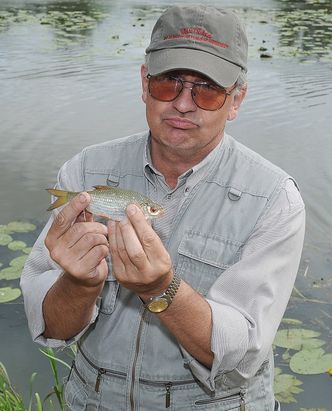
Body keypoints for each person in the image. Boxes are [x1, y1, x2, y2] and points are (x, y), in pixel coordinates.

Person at [21, 5, 305, 411]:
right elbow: (50, 326)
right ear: (143, 82)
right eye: (169, 83)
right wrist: (79, 284)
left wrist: (162, 291)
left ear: (236, 99)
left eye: (206, 90)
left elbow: (240, 358)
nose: (184, 104)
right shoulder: (85, 171)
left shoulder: (274, 199)